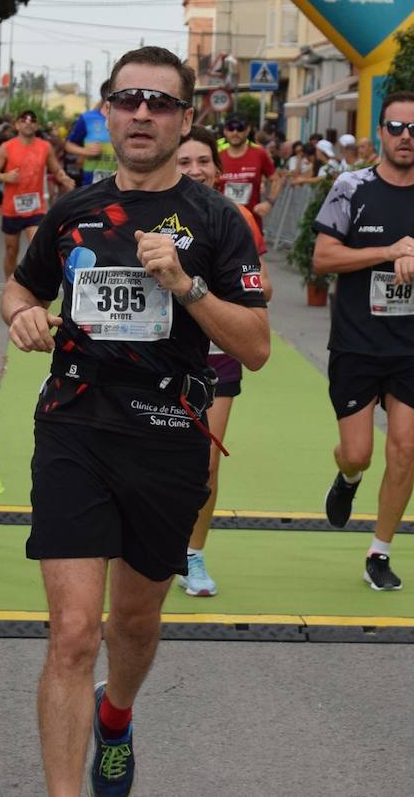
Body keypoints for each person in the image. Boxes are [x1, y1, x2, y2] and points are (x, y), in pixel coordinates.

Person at [1, 47, 270, 797]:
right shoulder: (73, 211)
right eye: (128, 100)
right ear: (108, 112)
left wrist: (186, 286)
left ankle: (115, 717)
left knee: (134, 624)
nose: (142, 113)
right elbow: (20, 291)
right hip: (75, 425)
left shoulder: (219, 220)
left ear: (185, 117)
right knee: (74, 632)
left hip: (167, 434)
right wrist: (23, 317)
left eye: (159, 102)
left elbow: (254, 348)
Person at [311, 91, 414, 591]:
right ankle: (347, 478)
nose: (405, 138)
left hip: (409, 347)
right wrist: (386, 251)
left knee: (403, 448)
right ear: (380, 131)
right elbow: (324, 258)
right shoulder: (350, 186)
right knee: (358, 452)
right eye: (396, 128)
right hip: (356, 341)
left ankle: (380, 551)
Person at [172, 126, 273, 597]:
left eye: (202, 162)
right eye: (184, 161)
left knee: (206, 462)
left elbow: (264, 287)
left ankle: (192, 554)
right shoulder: (152, 213)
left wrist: (215, 287)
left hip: (217, 353)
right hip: (157, 351)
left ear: (218, 169)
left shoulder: (238, 218)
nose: (194, 170)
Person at [0, 109, 76, 281]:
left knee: (37, 246)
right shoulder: (6, 147)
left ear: (36, 125)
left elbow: (56, 169)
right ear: (17, 125)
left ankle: (33, 285)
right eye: (23, 120)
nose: (28, 123)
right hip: (12, 207)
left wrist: (65, 179)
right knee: (11, 250)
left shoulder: (45, 147)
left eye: (32, 120)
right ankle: (9, 282)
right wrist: (5, 176)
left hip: (36, 207)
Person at [217, 114, 277, 222]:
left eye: (240, 128)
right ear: (225, 131)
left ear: (247, 130)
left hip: (251, 222)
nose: (235, 132)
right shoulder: (217, 156)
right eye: (231, 128)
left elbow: (276, 180)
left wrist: (269, 203)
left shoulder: (259, 154)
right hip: (223, 222)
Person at [63, 80, 112, 186]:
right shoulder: (87, 118)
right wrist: (86, 151)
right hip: (91, 182)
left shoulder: (127, 119)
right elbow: (68, 145)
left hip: (121, 183)